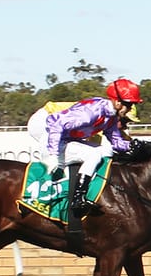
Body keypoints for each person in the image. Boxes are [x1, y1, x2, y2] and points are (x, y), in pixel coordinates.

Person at [27, 77, 143, 216]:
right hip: (43, 126)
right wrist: (53, 154)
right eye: (129, 105)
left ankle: (78, 193)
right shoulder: (91, 113)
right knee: (93, 154)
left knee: (102, 151)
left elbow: (116, 142)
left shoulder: (110, 117)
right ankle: (76, 198)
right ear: (118, 102)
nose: (130, 109)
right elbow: (56, 123)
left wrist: (134, 145)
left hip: (61, 132)